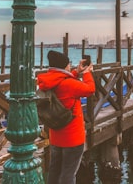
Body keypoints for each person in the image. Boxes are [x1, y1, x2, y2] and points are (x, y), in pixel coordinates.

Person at [37, 50, 95, 184]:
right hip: (73, 138)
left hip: (56, 136)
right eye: (69, 65)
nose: (70, 66)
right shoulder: (69, 84)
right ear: (63, 66)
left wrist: (76, 72)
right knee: (68, 174)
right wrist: (86, 73)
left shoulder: (47, 81)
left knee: (55, 170)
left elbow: (61, 79)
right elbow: (90, 89)